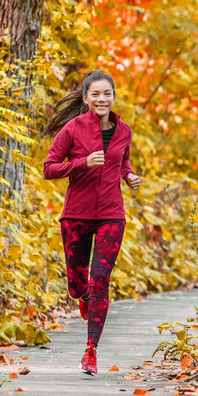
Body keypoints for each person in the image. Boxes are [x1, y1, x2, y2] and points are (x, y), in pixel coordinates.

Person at [42, 70, 141, 375]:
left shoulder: (123, 131)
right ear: (85, 99)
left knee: (100, 280)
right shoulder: (72, 129)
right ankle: (81, 295)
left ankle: (91, 351)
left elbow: (121, 160)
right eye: (95, 94)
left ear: (114, 96)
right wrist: (82, 163)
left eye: (107, 94)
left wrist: (128, 175)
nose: (102, 99)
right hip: (76, 214)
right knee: (77, 284)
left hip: (112, 213)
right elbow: (49, 169)